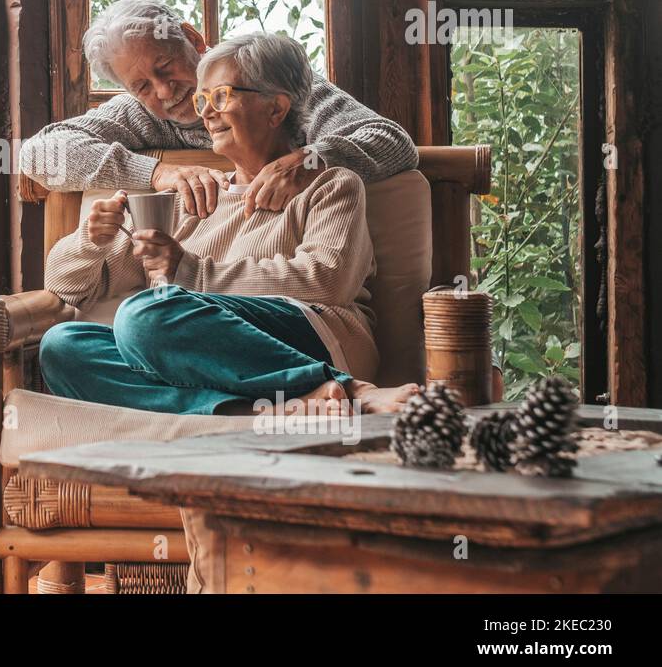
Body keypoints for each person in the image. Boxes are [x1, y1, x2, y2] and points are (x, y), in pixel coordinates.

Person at [38, 32, 421, 416]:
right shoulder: (191, 198)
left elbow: (327, 281)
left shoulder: (330, 183)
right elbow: (67, 287)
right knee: (63, 345)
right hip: (214, 359)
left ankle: (348, 389)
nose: (203, 112)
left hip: (315, 337)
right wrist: (91, 241)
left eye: (219, 97)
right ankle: (257, 408)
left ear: (276, 109)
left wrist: (189, 271)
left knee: (145, 315)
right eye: (202, 100)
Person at [19, 0, 419, 218]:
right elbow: (39, 153)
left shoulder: (264, 79)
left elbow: (392, 141)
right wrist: (159, 173)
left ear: (192, 39)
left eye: (166, 66)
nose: (164, 91)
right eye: (141, 85)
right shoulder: (139, 113)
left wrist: (307, 161)